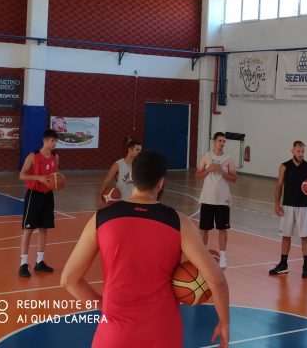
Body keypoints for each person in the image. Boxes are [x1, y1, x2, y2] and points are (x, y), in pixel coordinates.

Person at [61, 150, 230, 348]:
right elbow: (216, 280)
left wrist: (102, 305)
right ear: (161, 183)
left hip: (114, 335)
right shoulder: (179, 222)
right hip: (162, 334)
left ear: (132, 176)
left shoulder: (101, 218)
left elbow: (68, 280)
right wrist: (224, 322)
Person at [269, 140, 307, 279]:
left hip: (303, 207)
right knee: (286, 236)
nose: (301, 154)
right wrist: (277, 204)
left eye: (303, 151)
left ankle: (306, 266)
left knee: (304, 237)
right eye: (298, 151)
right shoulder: (284, 166)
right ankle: (283, 264)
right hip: (287, 206)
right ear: (292, 151)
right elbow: (279, 186)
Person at [18, 129, 59, 277]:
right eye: (52, 141)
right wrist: (38, 177)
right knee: (28, 230)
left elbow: (55, 176)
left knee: (44, 228)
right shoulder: (33, 156)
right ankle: (23, 264)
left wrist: (57, 183)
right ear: (45, 141)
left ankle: (39, 262)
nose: (54, 143)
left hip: (48, 196)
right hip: (34, 195)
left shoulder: (55, 157)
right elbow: (22, 175)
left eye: (56, 141)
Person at [194, 132, 237, 269]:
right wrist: (208, 170)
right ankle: (201, 255)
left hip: (223, 200)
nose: (222, 143)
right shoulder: (206, 157)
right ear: (214, 141)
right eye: (220, 141)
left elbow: (234, 179)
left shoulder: (229, 159)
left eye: (224, 141)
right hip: (207, 198)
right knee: (203, 229)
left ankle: (223, 256)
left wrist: (221, 171)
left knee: (222, 229)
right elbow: (197, 176)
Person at [96, 139, 142, 208]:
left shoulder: (139, 165)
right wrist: (99, 197)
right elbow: (106, 181)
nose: (139, 152)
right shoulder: (118, 165)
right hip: (121, 202)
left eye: (140, 150)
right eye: (137, 149)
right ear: (130, 150)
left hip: (135, 201)